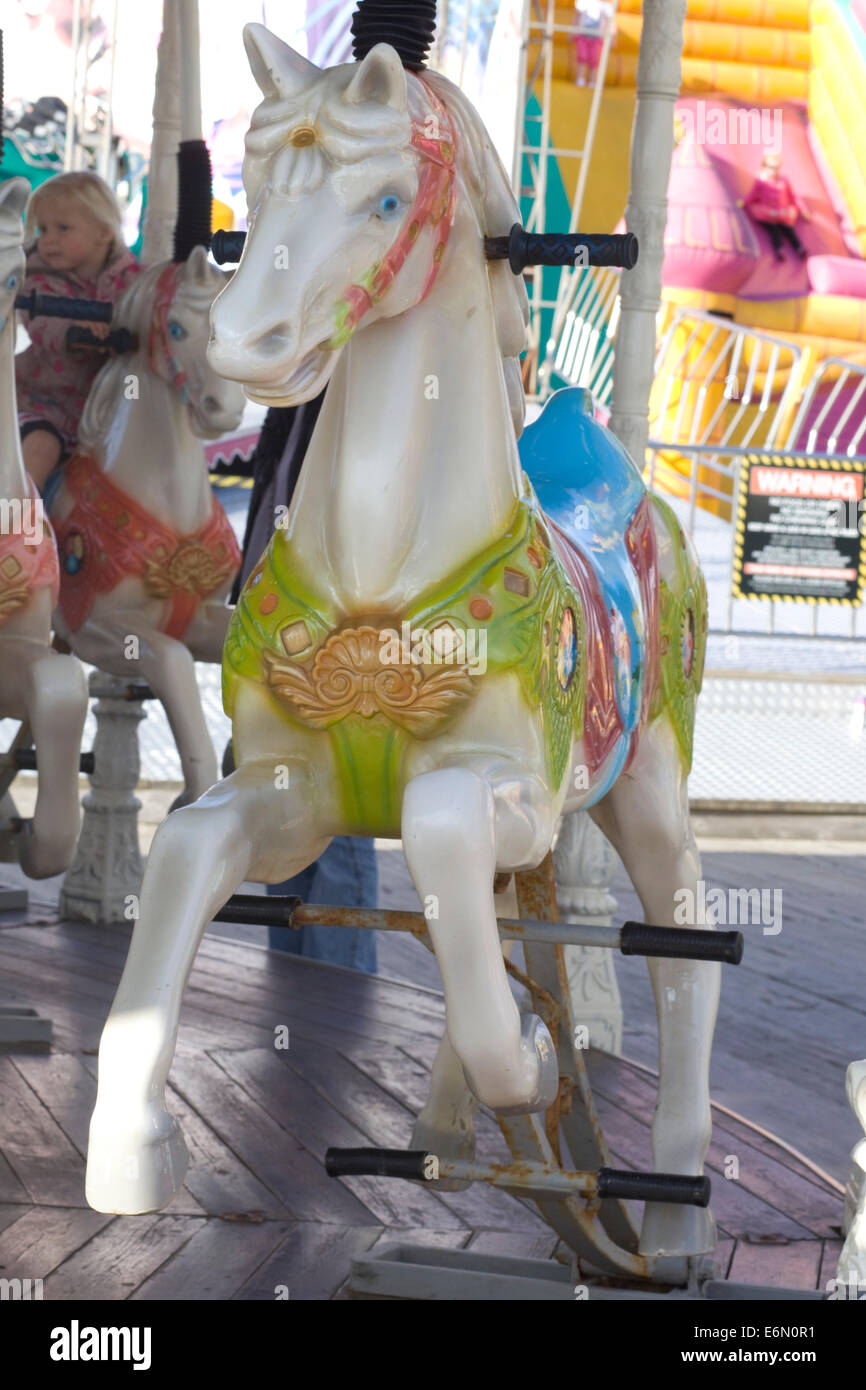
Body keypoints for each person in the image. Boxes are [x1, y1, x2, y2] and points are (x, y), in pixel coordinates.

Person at [225, 394, 379, 975]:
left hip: (331, 618)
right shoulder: (296, 403)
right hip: (278, 615)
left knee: (340, 810)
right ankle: (297, 977)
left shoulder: (353, 393)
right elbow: (274, 499)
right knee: (287, 806)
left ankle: (338, 981)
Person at [15, 170, 140, 493]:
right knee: (41, 448)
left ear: (102, 232)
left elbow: (146, 312)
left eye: (62, 228)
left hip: (103, 415)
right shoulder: (37, 278)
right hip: (42, 405)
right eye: (43, 229)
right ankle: (19, 527)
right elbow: (40, 324)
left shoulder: (132, 280)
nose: (48, 239)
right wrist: (73, 329)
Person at [739, 150, 811, 262]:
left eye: (776, 168)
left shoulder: (783, 180)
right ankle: (779, 249)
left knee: (788, 229)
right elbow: (753, 195)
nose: (773, 171)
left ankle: (799, 248)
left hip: (781, 212)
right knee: (773, 229)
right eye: (770, 167)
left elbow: (793, 196)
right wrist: (744, 202)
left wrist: (803, 210)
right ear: (764, 167)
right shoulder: (761, 181)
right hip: (768, 212)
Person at [574, 0, 614, 87]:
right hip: (583, 35)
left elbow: (610, 22)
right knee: (582, 56)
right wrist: (573, 31)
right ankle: (580, 78)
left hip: (597, 38)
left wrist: (612, 37)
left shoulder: (606, 6)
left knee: (594, 59)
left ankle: (592, 81)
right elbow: (577, 17)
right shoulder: (583, 2)